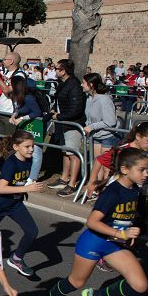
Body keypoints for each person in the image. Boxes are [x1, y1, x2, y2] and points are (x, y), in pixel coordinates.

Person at [33, 148, 148, 296]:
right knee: (76, 282)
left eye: (146, 170)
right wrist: (121, 233)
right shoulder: (113, 191)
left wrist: (131, 231)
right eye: (141, 170)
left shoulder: (134, 191)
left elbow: (124, 216)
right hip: (93, 242)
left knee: (140, 285)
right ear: (125, 169)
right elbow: (92, 221)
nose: (146, 174)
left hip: (114, 244)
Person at [0, 129, 44, 277]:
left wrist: (23, 189)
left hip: (15, 203)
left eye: (32, 146)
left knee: (32, 231)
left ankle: (16, 258)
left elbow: (18, 182)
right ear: (16, 147)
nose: (31, 149)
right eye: (27, 146)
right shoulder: (11, 163)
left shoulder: (29, 160)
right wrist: (27, 188)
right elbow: (1, 188)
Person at [48, 59, 86, 198]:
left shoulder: (74, 85)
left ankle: (72, 183)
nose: (55, 70)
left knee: (73, 154)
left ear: (63, 71)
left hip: (72, 124)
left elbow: (76, 109)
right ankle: (64, 178)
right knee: (65, 152)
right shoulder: (63, 84)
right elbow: (59, 101)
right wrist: (53, 111)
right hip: (62, 123)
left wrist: (60, 116)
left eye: (57, 69)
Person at [82, 73, 119, 201]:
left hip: (108, 135)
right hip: (96, 135)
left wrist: (91, 127)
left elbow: (110, 121)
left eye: (84, 83)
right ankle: (96, 191)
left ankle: (105, 193)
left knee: (105, 167)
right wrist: (87, 128)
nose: (82, 85)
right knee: (95, 164)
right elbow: (89, 118)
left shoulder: (104, 99)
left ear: (91, 84)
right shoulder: (89, 98)